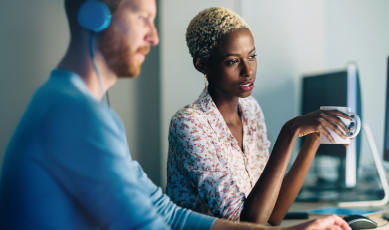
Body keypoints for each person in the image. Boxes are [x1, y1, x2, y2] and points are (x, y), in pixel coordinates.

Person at [0, 1, 350, 229]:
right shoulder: (73, 117)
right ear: (95, 15)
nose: (153, 37)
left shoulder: (79, 110)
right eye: (142, 17)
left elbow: (167, 213)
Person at [166, 7, 352, 226]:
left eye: (252, 56)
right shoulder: (189, 125)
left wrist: (313, 139)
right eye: (233, 61)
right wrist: (289, 132)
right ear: (202, 65)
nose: (248, 70)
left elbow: (273, 215)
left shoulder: (251, 109)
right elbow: (248, 223)